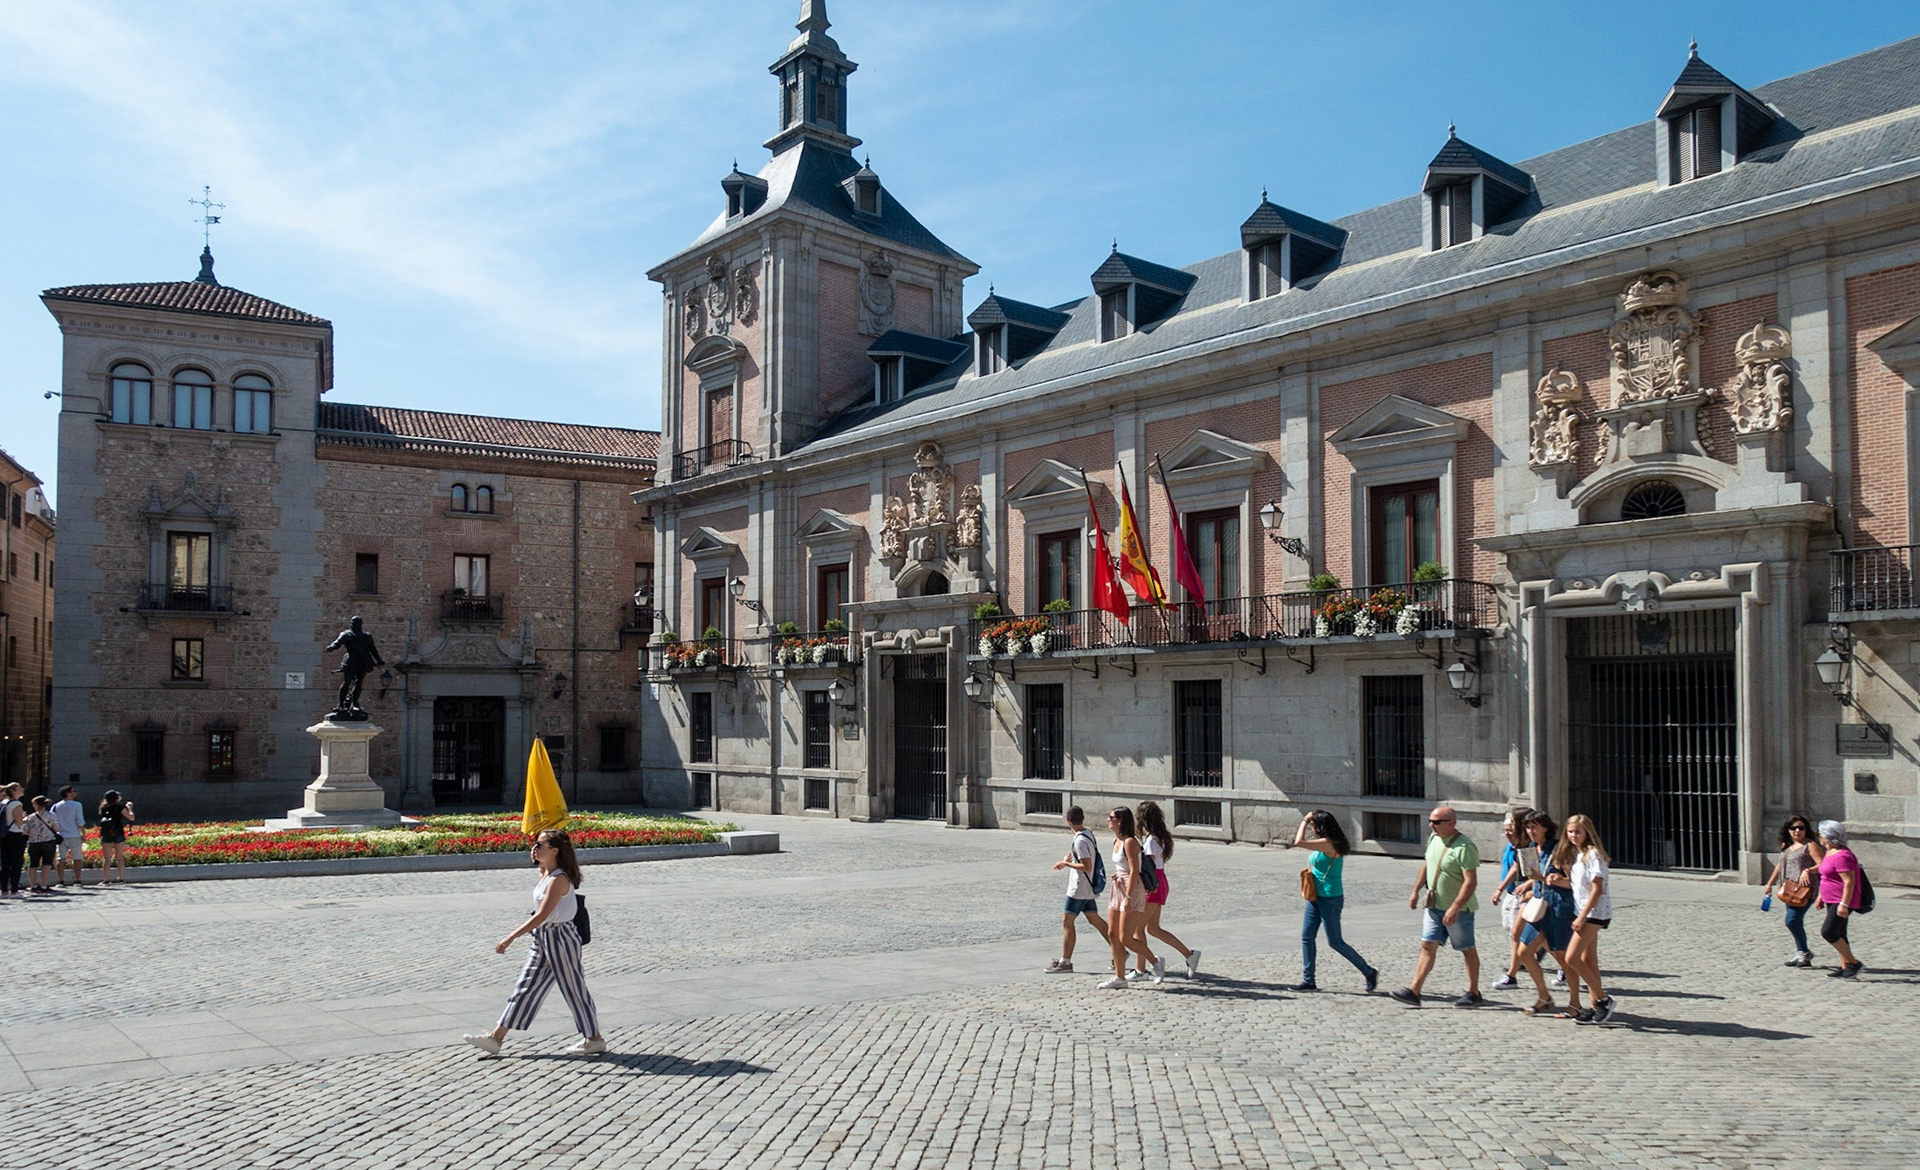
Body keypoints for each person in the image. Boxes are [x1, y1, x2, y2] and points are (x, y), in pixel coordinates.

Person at [464, 829, 607, 1056]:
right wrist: (537, 862)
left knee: (574, 989)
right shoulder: (545, 873)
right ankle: (496, 1038)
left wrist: (510, 938)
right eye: (535, 844)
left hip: (560, 937)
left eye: (540, 844)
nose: (534, 847)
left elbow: (541, 915)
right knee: (526, 986)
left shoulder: (559, 879)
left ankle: (594, 1038)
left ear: (554, 850)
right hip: (543, 938)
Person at [1390, 805, 1482, 1008]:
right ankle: (1414, 990)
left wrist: (1456, 906)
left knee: (1467, 949)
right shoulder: (1434, 839)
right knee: (1427, 945)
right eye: (1430, 821)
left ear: (1451, 823)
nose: (1432, 825)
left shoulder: (1464, 847)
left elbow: (1470, 882)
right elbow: (1427, 864)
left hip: (1459, 910)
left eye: (1436, 822)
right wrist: (1415, 890)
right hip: (1434, 906)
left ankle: (1473, 991)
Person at [1290, 810, 1379, 993]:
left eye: (1314, 824)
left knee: (1335, 942)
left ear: (1320, 826)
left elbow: (1298, 842)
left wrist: (1304, 820)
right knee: (1307, 936)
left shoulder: (1329, 843)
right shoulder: (1326, 842)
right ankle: (1309, 980)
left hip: (1330, 898)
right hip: (1315, 896)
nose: (1312, 827)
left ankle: (1368, 971)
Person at [1512, 810, 1577, 1018]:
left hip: (1558, 908)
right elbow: (1537, 877)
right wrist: (1532, 883)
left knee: (1563, 957)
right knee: (1524, 951)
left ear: (1546, 828)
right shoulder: (1531, 848)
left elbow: (1574, 883)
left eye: (1535, 827)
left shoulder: (1560, 849)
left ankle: (1575, 1002)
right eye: (1528, 828)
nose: (1531, 832)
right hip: (1539, 906)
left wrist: (1552, 880)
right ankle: (1544, 997)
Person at [1133, 801, 1199, 980]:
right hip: (1160, 881)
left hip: (1152, 883)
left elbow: (1148, 866)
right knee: (1153, 928)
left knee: (1138, 929)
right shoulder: (1157, 837)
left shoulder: (1152, 840)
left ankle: (1141, 969)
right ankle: (1189, 954)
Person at [1563, 814, 1617, 1024]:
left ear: (1587, 833)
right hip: (1583, 911)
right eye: (1570, 832)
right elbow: (1578, 886)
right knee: (1588, 959)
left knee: (1571, 958)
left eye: (1578, 832)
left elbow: (1597, 888)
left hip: (1593, 913)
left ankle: (1603, 998)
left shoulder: (1593, 855)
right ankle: (1595, 1004)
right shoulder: (1579, 856)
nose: (1574, 836)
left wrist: (1583, 916)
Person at [1099, 807, 1158, 990]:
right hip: (1118, 887)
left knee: (1126, 937)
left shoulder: (1130, 842)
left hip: (1132, 889)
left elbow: (1134, 870)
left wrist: (1129, 896)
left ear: (1121, 820)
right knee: (1112, 933)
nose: (1108, 820)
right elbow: (1123, 867)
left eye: (1112, 817)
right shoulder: (1117, 840)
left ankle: (1155, 961)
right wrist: (1117, 875)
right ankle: (1120, 977)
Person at [1047, 806, 1108, 973]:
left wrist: (1066, 864)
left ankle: (1065, 962)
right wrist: (1068, 859)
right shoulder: (1087, 834)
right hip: (1086, 888)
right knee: (1095, 919)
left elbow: (1086, 866)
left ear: (1068, 821)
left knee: (1067, 921)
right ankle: (1120, 951)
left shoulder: (1080, 840)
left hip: (1079, 888)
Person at [1762, 816, 1824, 968]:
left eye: (1801, 828)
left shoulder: (1810, 845)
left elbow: (1822, 865)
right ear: (1788, 830)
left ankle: (1803, 952)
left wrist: (1808, 870)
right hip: (1789, 888)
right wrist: (1769, 883)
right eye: (1793, 828)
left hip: (1805, 889)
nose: (1797, 831)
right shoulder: (1787, 845)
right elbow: (1779, 865)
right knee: (1794, 921)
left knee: (1792, 920)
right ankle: (1801, 952)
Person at [1813, 820, 1865, 979]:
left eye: (1820, 834)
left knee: (1828, 932)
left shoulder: (1843, 855)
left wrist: (1844, 904)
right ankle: (1845, 966)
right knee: (1840, 932)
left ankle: (1854, 963)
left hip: (1841, 900)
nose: (1819, 837)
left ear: (1829, 837)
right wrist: (1821, 896)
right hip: (1830, 898)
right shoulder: (1830, 852)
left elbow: (1849, 881)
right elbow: (1826, 877)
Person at [1489, 807, 1532, 990]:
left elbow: (1535, 872)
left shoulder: (1531, 845)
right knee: (1526, 936)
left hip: (1531, 895)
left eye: (1513, 822)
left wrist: (1528, 884)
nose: (1511, 826)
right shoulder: (1519, 845)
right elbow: (1516, 866)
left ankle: (1512, 976)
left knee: (1518, 934)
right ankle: (1565, 967)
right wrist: (1500, 888)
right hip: (1518, 892)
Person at [51, 785, 88, 887]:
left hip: (61, 835)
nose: (75, 793)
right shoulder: (77, 805)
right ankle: (77, 880)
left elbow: (52, 819)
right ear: (68, 793)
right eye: (73, 791)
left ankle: (60, 880)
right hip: (74, 834)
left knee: (61, 858)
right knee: (77, 858)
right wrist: (83, 833)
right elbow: (80, 821)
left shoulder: (56, 805)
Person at [23, 796, 60, 893]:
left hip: (33, 842)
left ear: (36, 805)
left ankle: (33, 885)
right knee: (47, 864)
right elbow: (57, 828)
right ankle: (44, 886)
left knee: (33, 865)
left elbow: (25, 831)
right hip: (48, 841)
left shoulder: (30, 817)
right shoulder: (51, 815)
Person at [96, 791, 134, 884]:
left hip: (106, 833)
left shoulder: (103, 808)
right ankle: (120, 878)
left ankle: (106, 879)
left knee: (106, 857)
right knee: (119, 856)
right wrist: (130, 808)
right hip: (118, 832)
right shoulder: (120, 807)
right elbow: (131, 818)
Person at [0, 784, 27, 897]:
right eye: (20, 788)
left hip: (4, 835)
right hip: (15, 835)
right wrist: (26, 818)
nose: (23, 789)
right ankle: (14, 890)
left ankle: (4, 890)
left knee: (5, 864)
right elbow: (19, 822)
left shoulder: (3, 803)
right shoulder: (17, 804)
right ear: (14, 791)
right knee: (16, 863)